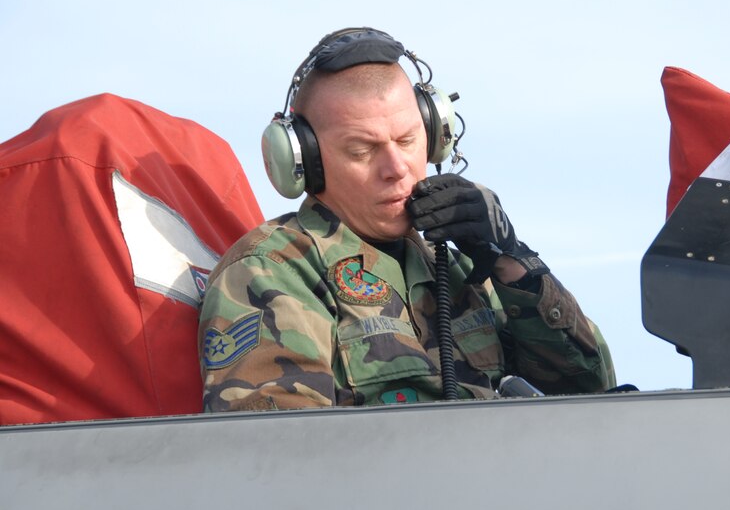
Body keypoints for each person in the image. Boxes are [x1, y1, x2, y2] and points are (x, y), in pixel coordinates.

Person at [198, 27, 615, 411]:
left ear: (435, 137)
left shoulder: (463, 267)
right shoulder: (273, 270)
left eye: (408, 140)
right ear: (305, 163)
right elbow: (277, 454)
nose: (396, 167)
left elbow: (594, 397)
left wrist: (512, 262)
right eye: (362, 151)